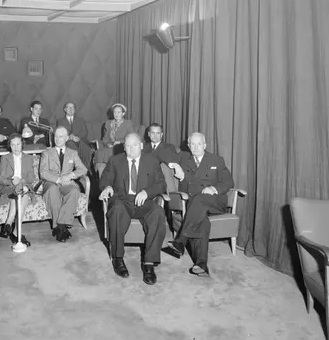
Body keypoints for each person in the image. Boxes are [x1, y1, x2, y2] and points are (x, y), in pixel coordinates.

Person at [99, 133, 167, 285]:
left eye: (135, 145)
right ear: (124, 147)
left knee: (158, 212)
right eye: (128, 146)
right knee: (116, 211)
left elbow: (161, 184)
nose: (131, 149)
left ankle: (149, 263)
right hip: (122, 200)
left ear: (141, 145)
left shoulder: (152, 161)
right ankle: (118, 258)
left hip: (144, 201)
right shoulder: (115, 161)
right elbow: (105, 180)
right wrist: (108, 187)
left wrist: (147, 192)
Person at [166, 132, 234, 277]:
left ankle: (181, 239)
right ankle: (201, 264)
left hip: (215, 202)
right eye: (193, 144)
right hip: (194, 207)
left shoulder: (216, 160)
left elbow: (228, 182)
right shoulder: (183, 158)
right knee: (202, 221)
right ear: (188, 145)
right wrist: (175, 165)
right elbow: (160, 153)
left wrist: (214, 188)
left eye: (199, 144)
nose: (196, 147)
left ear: (205, 145)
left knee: (199, 200)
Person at [39, 126, 87, 242]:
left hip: (67, 183)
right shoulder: (46, 153)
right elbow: (43, 172)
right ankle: (61, 228)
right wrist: (58, 180)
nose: (57, 139)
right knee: (53, 190)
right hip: (51, 183)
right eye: (56, 136)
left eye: (61, 136)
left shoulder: (73, 153)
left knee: (74, 191)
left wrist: (71, 175)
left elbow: (83, 169)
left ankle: (60, 226)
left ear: (66, 138)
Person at [0, 133, 36, 247]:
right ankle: (15, 230)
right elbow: (0, 178)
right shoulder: (5, 158)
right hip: (9, 188)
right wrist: (11, 182)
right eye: (13, 144)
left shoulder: (28, 158)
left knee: (23, 194)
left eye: (18, 144)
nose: (16, 147)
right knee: (20, 192)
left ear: (22, 144)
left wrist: (21, 181)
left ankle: (10, 225)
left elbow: (32, 177)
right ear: (9, 146)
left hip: (23, 188)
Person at [95, 103, 136, 178]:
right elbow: (105, 138)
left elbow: (131, 137)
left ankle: (108, 170)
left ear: (123, 113)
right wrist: (107, 144)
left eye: (118, 112)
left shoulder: (128, 123)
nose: (116, 114)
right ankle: (100, 173)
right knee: (98, 152)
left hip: (122, 147)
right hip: (110, 147)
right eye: (114, 112)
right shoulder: (109, 123)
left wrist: (120, 142)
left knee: (107, 152)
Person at [56, 101, 93, 170]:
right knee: (70, 144)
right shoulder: (60, 121)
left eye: (73, 107)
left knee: (86, 148)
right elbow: (60, 133)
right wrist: (70, 137)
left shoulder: (81, 120)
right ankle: (75, 168)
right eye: (69, 107)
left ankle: (85, 169)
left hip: (81, 141)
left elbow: (85, 131)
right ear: (65, 109)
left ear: (75, 110)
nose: (71, 109)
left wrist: (78, 137)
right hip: (68, 142)